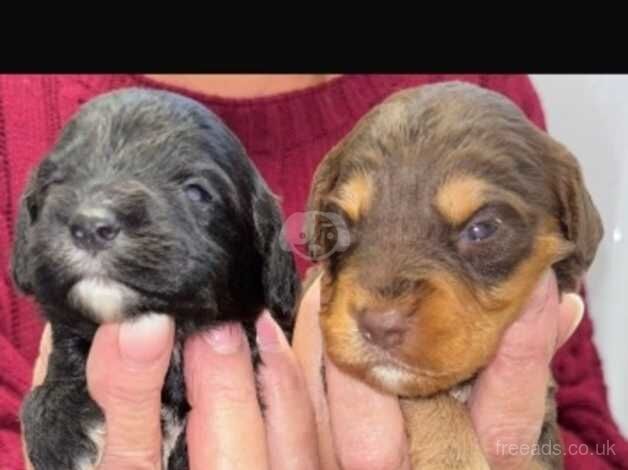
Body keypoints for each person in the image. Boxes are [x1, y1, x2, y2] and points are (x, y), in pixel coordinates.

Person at [0, 74, 626, 469]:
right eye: (340, 230)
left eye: (482, 230)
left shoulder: (490, 93)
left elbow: (587, 434)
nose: (382, 306)